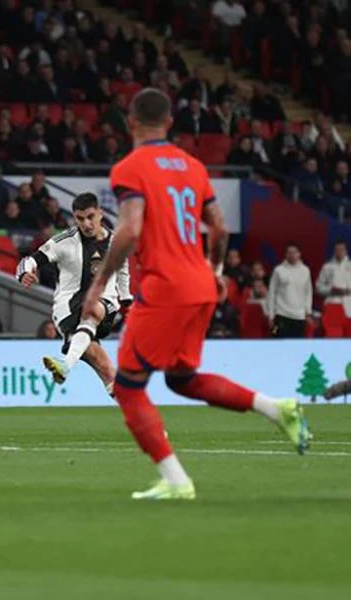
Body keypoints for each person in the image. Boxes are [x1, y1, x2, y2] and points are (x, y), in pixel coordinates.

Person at [82, 88, 310, 500]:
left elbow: (131, 229)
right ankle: (278, 409)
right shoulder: (193, 166)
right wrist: (217, 270)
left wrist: (98, 284)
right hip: (200, 285)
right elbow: (219, 228)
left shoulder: (130, 168)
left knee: (130, 387)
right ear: (169, 123)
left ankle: (175, 480)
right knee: (182, 379)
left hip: (165, 287)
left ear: (131, 123)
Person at [17, 193, 132, 395]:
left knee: (93, 307)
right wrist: (24, 272)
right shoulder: (64, 242)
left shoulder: (116, 242)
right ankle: (146, 424)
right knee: (108, 372)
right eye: (80, 218)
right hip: (68, 312)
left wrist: (126, 298)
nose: (86, 224)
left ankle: (65, 365)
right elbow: (32, 260)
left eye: (90, 217)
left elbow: (123, 270)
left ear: (100, 214)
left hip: (104, 305)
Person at [266, 244, 313, 338]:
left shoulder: (305, 270)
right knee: (278, 342)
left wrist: (308, 311)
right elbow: (271, 293)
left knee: (297, 346)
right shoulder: (278, 270)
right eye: (289, 252)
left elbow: (308, 292)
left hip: (299, 316)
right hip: (281, 315)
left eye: (294, 252)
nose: (292, 255)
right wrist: (271, 315)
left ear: (299, 254)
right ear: (285, 255)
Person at [315, 241, 351, 322]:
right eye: (337, 250)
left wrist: (347, 290)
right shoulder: (327, 267)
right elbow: (318, 287)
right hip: (332, 305)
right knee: (334, 333)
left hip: (349, 306)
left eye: (342, 249)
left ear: (345, 251)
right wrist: (331, 290)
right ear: (334, 251)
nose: (339, 252)